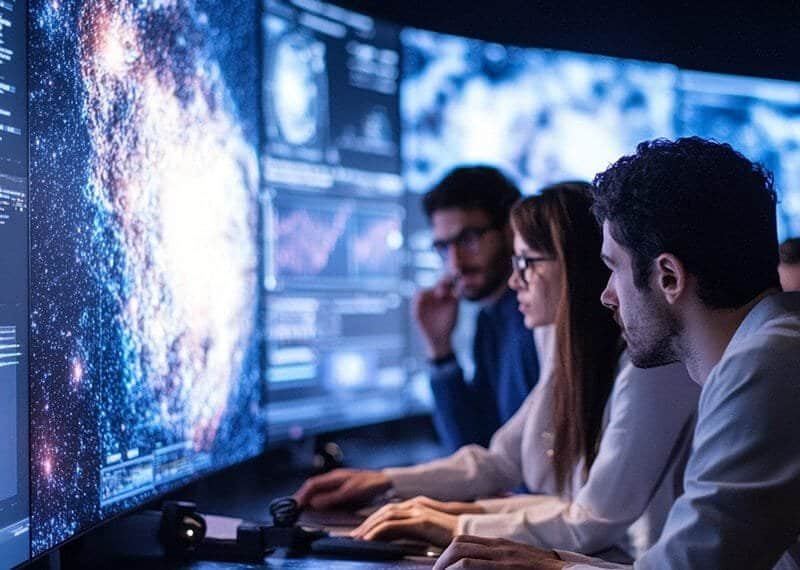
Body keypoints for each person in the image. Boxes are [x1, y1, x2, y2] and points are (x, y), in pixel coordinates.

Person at [433, 137, 800, 570]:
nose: (605, 295)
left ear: (668, 276)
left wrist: (550, 565)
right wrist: (550, 562)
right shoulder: (771, 347)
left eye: (613, 268)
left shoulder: (765, 365)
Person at [296, 183, 699, 561]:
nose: (513, 280)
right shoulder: (570, 353)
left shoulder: (649, 367)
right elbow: (502, 461)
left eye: (526, 262)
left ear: (576, 267)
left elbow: (591, 521)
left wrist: (453, 521)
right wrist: (393, 486)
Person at [414, 166, 540, 451]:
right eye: (443, 248)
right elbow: (474, 449)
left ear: (510, 231)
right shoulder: (490, 319)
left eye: (468, 239)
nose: (455, 263)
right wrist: (439, 349)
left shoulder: (534, 317)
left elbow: (516, 461)